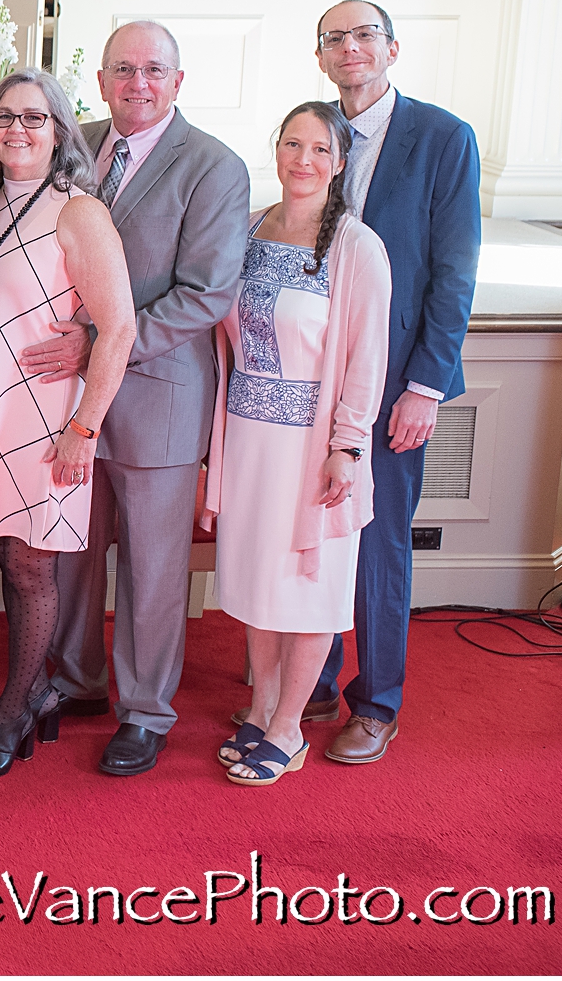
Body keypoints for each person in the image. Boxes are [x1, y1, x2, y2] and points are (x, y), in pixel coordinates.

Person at [27, 20, 252, 777]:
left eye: (154, 70)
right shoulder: (70, 144)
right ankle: (78, 679)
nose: (138, 84)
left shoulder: (215, 167)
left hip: (159, 395)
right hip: (65, 395)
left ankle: (146, 711)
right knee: (72, 553)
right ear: (100, 80)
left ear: (178, 82)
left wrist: (101, 344)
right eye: (122, 69)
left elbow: (206, 294)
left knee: (154, 570)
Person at [305, 0, 480, 766]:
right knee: (310, 524)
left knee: (377, 544)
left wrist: (426, 386)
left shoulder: (443, 138)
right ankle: (306, 675)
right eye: (335, 39)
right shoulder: (311, 131)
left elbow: (454, 272)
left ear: (392, 48)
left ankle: (375, 702)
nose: (351, 48)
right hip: (317, 376)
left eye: (364, 35)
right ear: (321, 58)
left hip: (397, 376)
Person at [0, 72, 135, 777]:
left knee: (31, 564)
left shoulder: (79, 210)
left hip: (46, 411)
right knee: (9, 553)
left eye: (34, 118)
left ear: (60, 130)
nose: (16, 129)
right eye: (4, 117)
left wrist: (83, 429)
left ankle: (18, 705)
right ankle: (37, 690)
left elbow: (118, 328)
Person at [205, 101, 392, 784]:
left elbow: (369, 356)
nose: (303, 160)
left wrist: (348, 445)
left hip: (315, 448)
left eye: (319, 149)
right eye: (292, 145)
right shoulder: (251, 228)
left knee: (310, 585)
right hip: (252, 436)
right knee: (260, 580)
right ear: (277, 150)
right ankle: (259, 709)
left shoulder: (357, 248)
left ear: (340, 162)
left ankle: (289, 727)